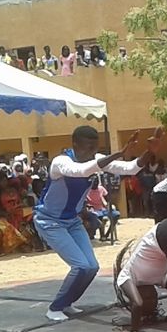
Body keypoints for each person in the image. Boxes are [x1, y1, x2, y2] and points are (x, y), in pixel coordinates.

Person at [34, 126, 147, 321]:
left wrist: (148, 153)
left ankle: (67, 303)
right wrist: (116, 154)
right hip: (50, 221)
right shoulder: (61, 162)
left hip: (72, 221)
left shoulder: (96, 159)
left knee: (92, 267)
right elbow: (79, 171)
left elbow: (130, 168)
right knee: (80, 266)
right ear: (75, 144)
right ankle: (54, 308)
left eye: (95, 148)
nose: (91, 153)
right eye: (87, 148)